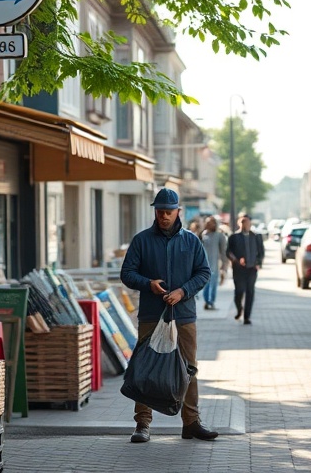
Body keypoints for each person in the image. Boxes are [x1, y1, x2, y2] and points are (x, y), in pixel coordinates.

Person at [120, 187, 217, 443]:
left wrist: (183, 291)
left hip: (184, 315)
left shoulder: (191, 241)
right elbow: (127, 273)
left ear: (178, 211)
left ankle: (192, 423)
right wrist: (149, 284)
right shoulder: (141, 240)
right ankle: (142, 424)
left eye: (168, 212)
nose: (164, 216)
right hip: (151, 315)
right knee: (144, 368)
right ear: (155, 211)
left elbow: (204, 273)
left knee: (189, 369)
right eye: (160, 211)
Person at [227, 212, 265, 325]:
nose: (245, 224)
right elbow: (228, 252)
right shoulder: (233, 237)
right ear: (240, 223)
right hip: (238, 269)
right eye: (243, 222)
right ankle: (239, 309)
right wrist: (236, 260)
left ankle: (247, 317)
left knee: (250, 292)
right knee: (239, 291)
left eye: (247, 222)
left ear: (250, 223)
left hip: (252, 268)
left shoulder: (256, 236)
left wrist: (258, 263)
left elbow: (261, 252)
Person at [200, 216, 229, 310]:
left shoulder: (219, 235)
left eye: (211, 222)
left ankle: (211, 302)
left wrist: (224, 266)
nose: (209, 224)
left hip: (214, 265)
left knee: (213, 285)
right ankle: (206, 301)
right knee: (205, 285)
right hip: (203, 266)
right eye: (207, 222)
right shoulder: (203, 235)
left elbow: (223, 252)